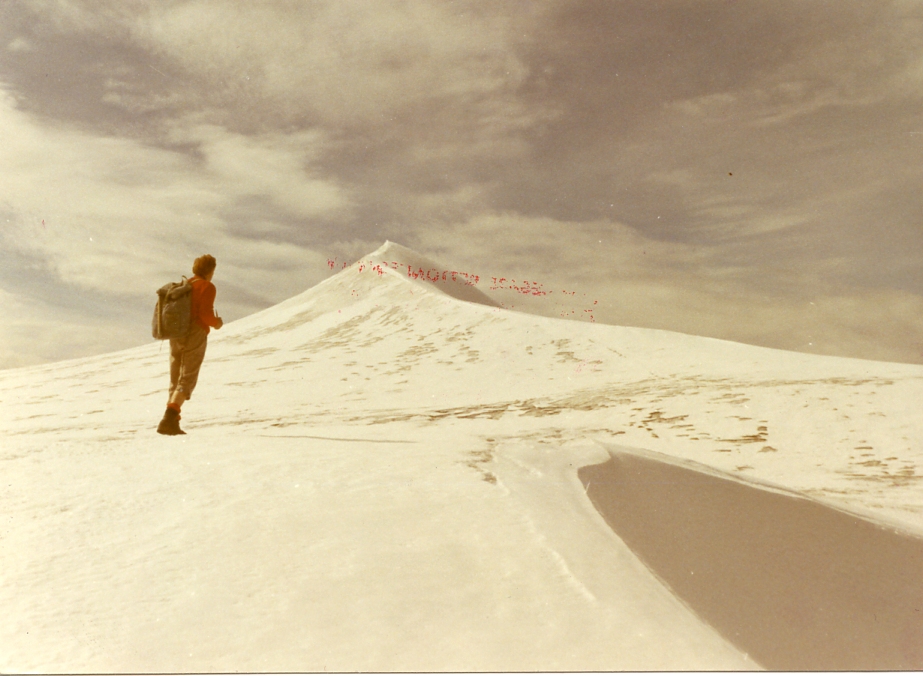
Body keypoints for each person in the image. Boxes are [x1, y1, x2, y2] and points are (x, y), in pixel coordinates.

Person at [157, 254, 223, 435]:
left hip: (175, 334)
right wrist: (216, 323)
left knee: (175, 377)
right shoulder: (207, 286)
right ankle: (168, 418)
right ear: (210, 270)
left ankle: (173, 421)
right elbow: (205, 314)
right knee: (187, 377)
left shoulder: (183, 286)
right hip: (195, 334)